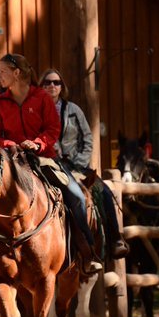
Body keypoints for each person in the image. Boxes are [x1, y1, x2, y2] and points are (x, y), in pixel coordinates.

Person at [0, 54, 101, 275]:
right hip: (11, 160)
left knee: (76, 196)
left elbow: (52, 130)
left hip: (44, 159)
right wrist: (13, 144)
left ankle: (86, 250)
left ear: (16, 73)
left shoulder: (41, 98)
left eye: (2, 72)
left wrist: (37, 144)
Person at [39, 68, 129, 260]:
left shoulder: (73, 110)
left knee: (103, 190)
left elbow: (87, 139)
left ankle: (115, 239)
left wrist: (78, 162)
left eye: (56, 82)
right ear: (41, 86)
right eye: (47, 82)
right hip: (47, 164)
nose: (52, 86)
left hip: (74, 165)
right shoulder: (36, 111)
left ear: (62, 87)